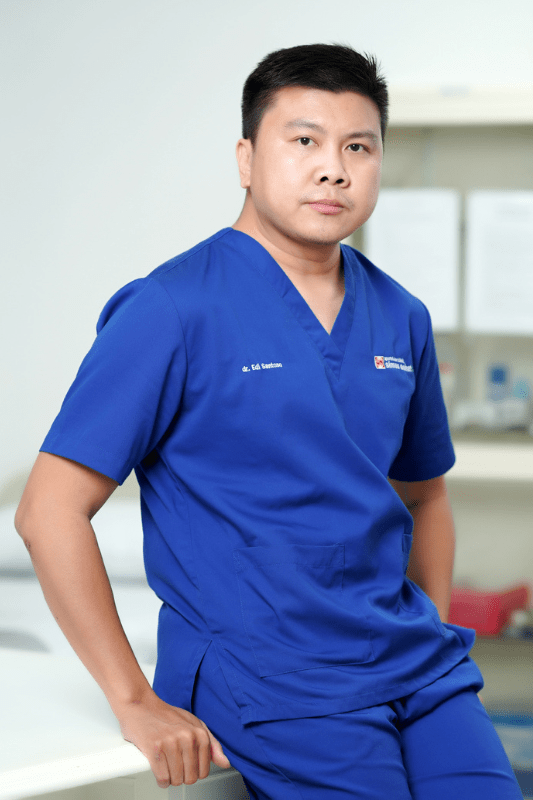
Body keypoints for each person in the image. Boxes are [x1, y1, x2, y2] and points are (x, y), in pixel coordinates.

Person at [16, 43, 522, 799]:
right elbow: (48, 510)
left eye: (358, 147)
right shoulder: (172, 308)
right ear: (247, 159)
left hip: (415, 666)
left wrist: (426, 626)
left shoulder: (401, 315)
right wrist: (132, 699)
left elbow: (424, 496)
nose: (333, 169)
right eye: (304, 141)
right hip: (269, 676)